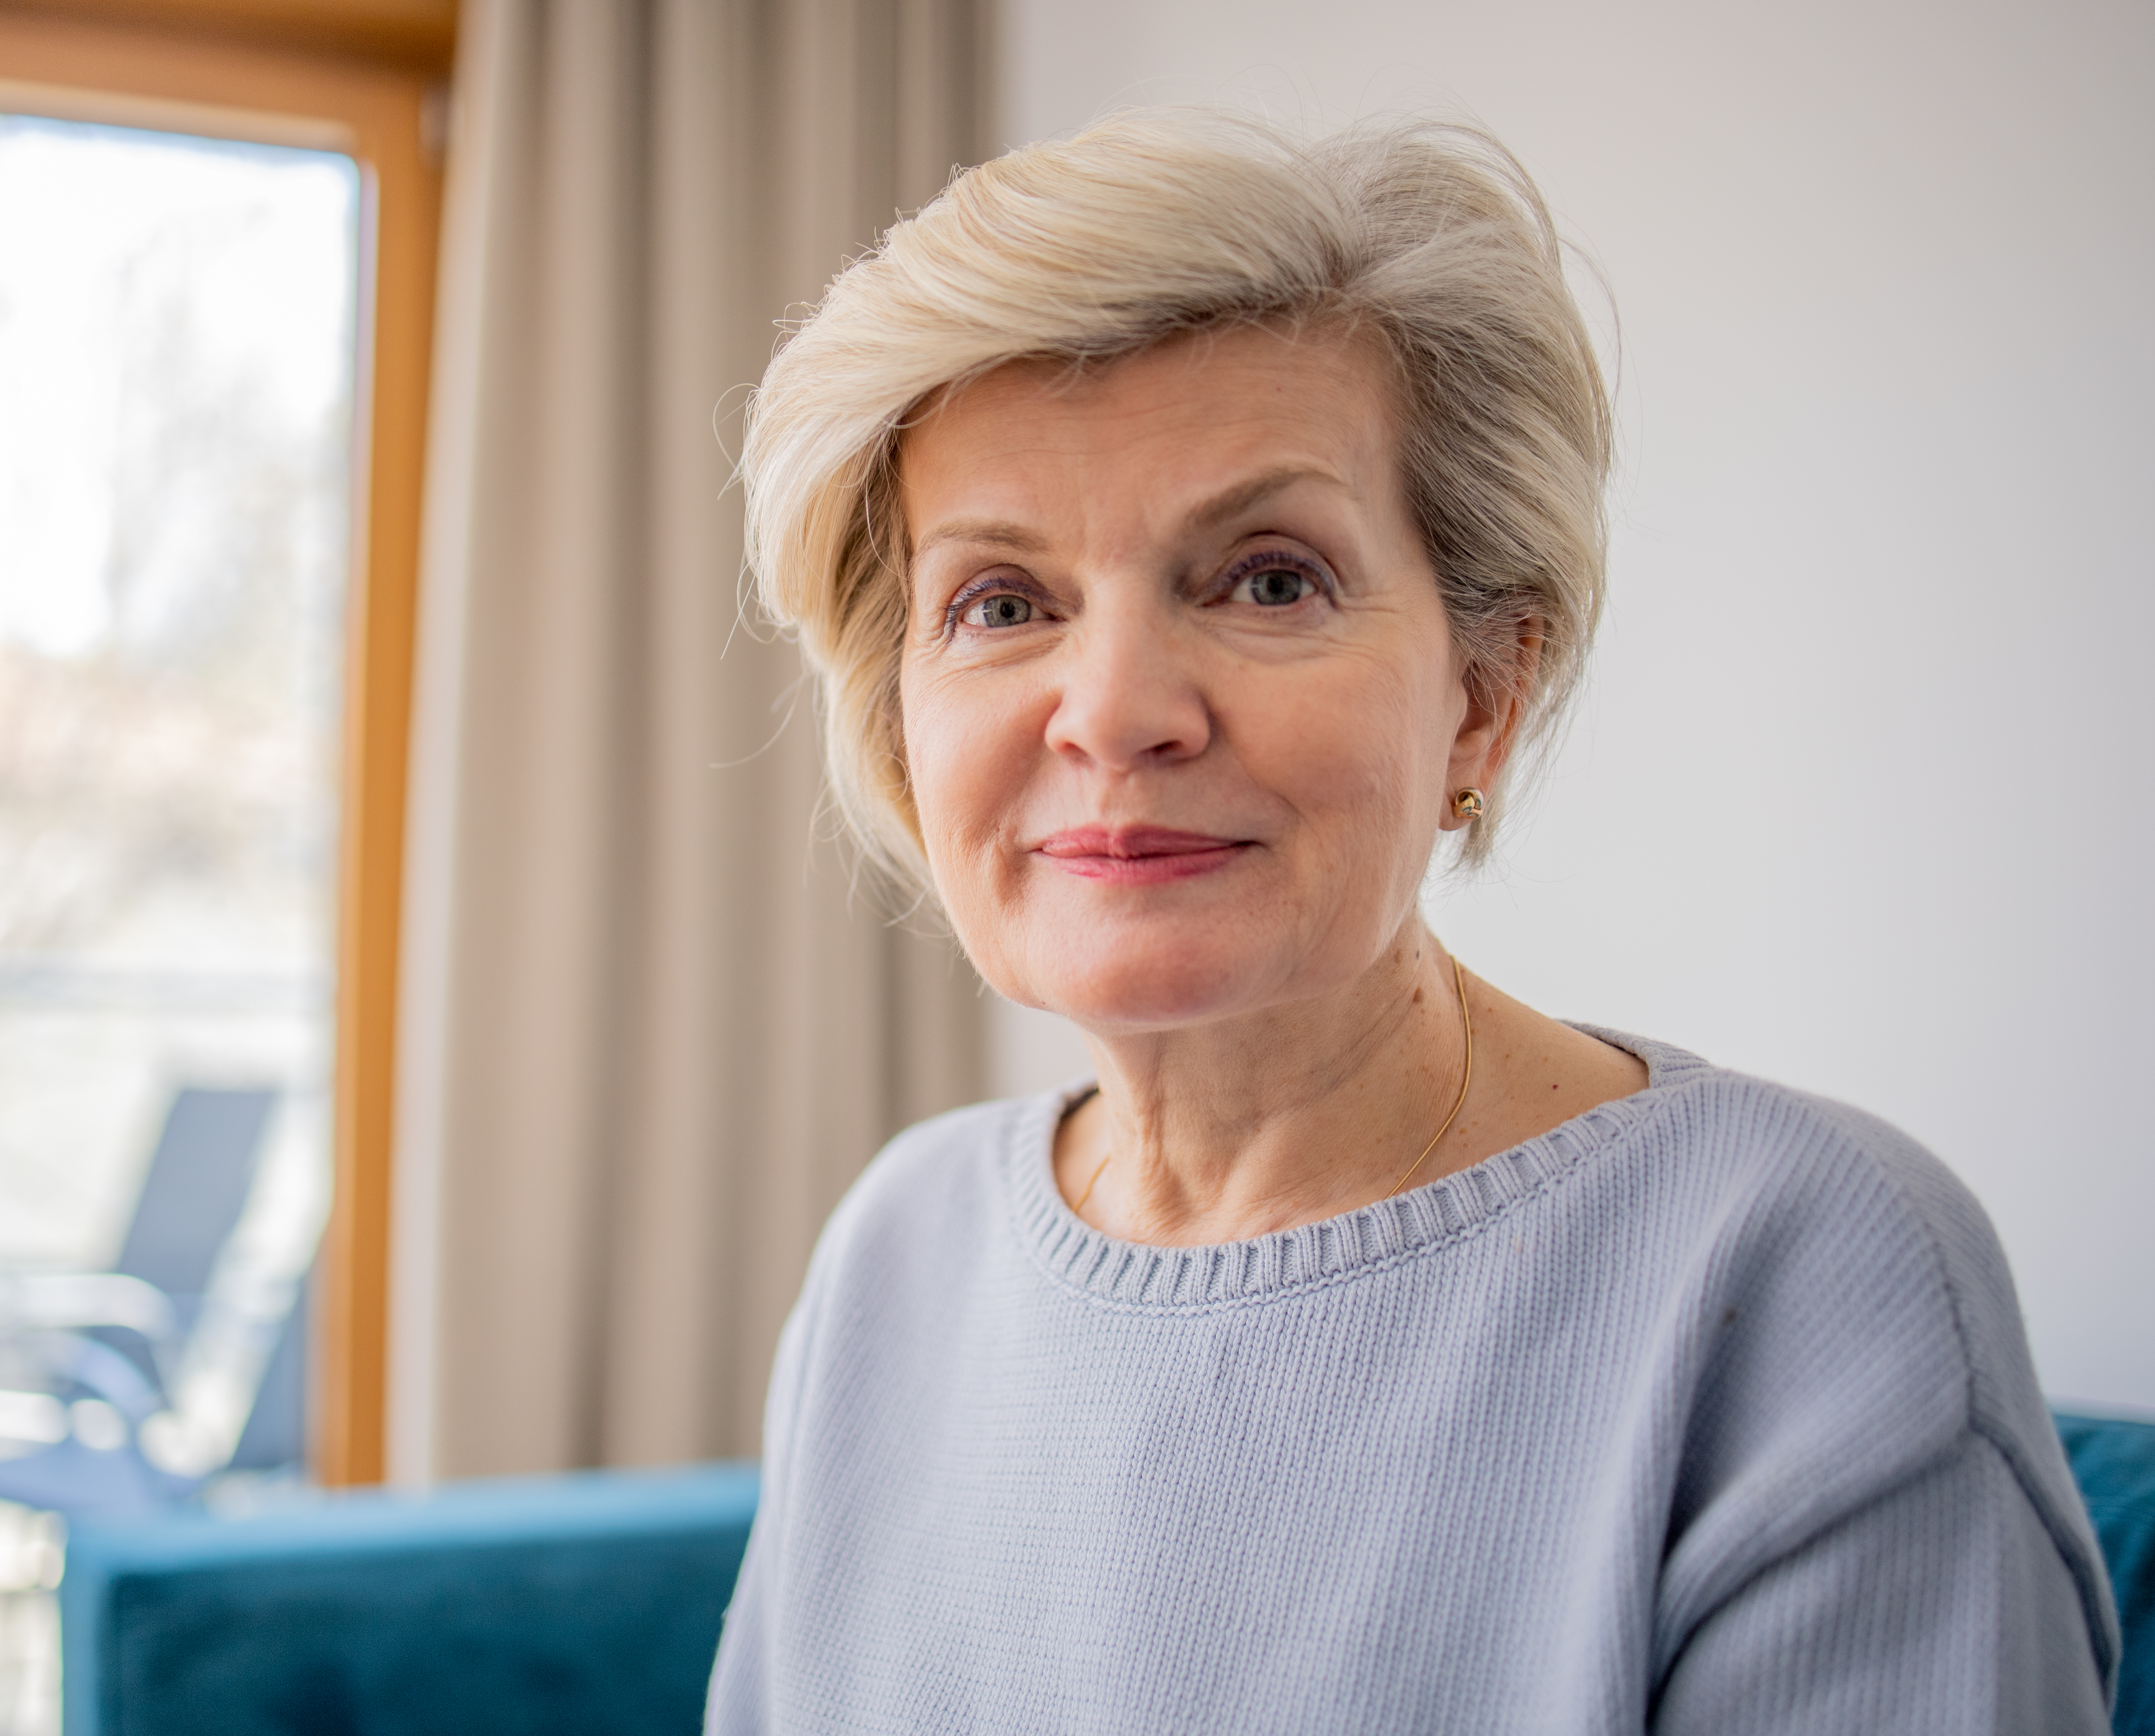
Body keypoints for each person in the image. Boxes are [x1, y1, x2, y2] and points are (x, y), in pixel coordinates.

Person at [704, 108, 2117, 1733]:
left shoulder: (1808, 1271)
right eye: (1002, 604)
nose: (1114, 712)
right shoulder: (899, 1247)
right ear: (900, 721)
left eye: (1268, 578)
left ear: (1483, 699)